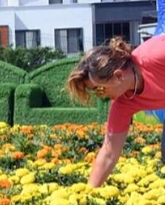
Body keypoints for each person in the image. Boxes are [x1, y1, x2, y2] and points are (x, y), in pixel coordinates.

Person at [67, 35, 165, 187]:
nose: (101, 96)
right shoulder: (122, 104)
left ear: (118, 76)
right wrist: (87, 196)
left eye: (99, 89)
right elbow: (108, 153)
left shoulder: (154, 54)